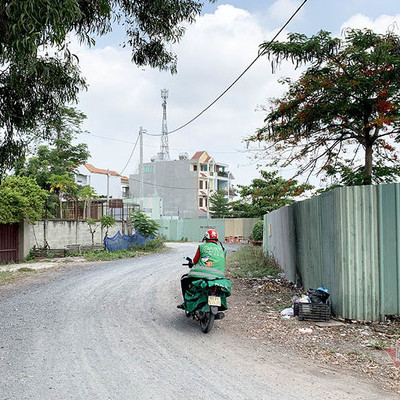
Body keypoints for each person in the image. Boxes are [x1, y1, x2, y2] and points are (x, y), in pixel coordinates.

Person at [178, 229, 227, 307]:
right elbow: (223, 262)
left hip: (202, 274)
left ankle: (186, 302)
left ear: (206, 238)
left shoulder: (202, 247)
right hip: (219, 276)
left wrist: (192, 264)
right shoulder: (222, 249)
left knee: (184, 279)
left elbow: (194, 261)